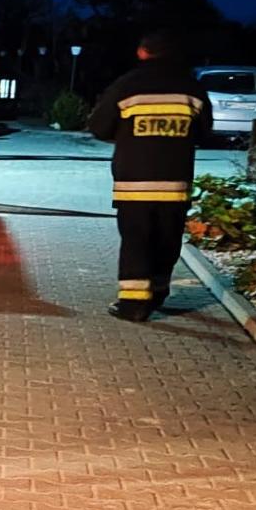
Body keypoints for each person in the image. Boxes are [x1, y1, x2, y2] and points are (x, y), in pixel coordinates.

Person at [89, 32, 213, 322]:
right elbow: (204, 132)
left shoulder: (126, 86)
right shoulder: (191, 88)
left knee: (136, 241)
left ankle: (134, 305)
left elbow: (98, 126)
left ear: (142, 53)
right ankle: (157, 292)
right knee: (167, 240)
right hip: (175, 182)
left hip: (134, 183)